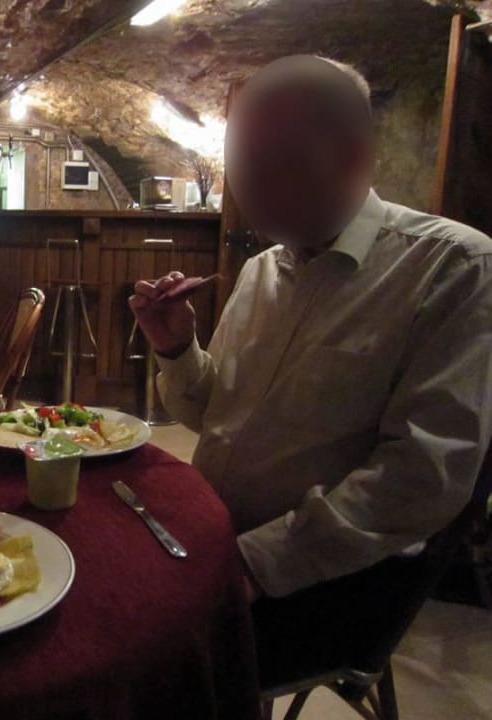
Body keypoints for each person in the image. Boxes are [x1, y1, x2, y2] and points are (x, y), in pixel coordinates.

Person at [129, 55, 492, 612]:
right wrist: (176, 348)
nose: (250, 191)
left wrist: (249, 565)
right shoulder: (263, 269)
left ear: (356, 156)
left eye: (276, 165)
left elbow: (423, 477)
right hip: (213, 535)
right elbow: (213, 417)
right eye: (240, 166)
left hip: (323, 584)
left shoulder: (456, 267)